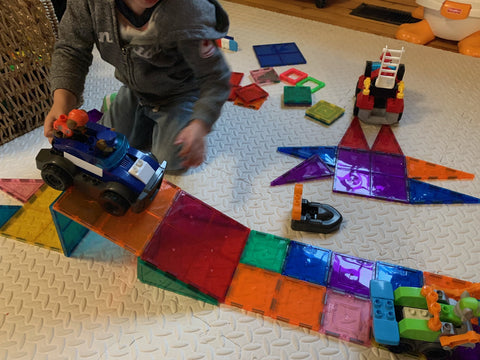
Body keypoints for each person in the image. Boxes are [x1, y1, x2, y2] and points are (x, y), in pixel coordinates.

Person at [44, 0, 231, 172]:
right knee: (106, 146)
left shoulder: (190, 10)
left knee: (171, 161)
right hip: (135, 90)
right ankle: (123, 104)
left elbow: (215, 76)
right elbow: (71, 49)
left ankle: (176, 114)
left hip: (180, 92)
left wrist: (200, 122)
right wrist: (62, 103)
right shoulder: (89, 3)